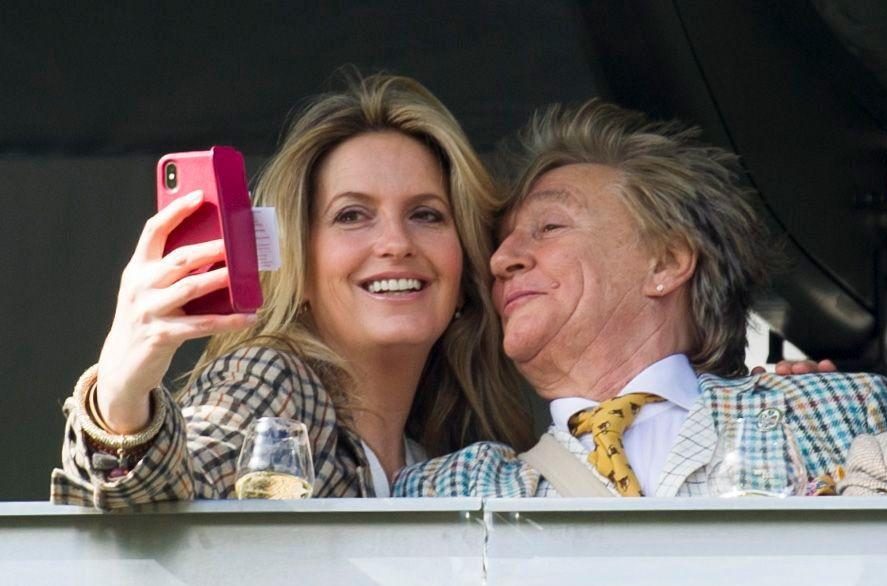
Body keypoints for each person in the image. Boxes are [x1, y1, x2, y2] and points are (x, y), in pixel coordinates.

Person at [51, 73, 533, 509]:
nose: (395, 243)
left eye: (426, 214)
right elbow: (168, 489)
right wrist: (121, 402)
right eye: (351, 215)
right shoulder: (275, 381)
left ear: (465, 259)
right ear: (298, 267)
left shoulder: (453, 455)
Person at [393, 98, 887, 498]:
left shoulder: (838, 411)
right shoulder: (451, 489)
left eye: (548, 226)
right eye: (502, 241)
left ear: (666, 262)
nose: (502, 260)